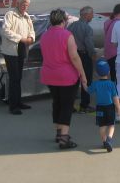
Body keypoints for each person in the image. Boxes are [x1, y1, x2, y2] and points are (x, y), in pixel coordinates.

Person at [40, 9, 88, 149]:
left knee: (57, 103)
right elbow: (74, 57)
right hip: (66, 76)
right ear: (64, 21)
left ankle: (58, 132)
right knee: (67, 105)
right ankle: (64, 138)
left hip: (49, 75)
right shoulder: (67, 35)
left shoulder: (44, 35)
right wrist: (83, 76)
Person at [0, 0, 35, 115]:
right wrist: (21, 39)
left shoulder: (26, 16)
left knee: (19, 77)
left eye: (27, 5)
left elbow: (31, 29)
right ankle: (13, 106)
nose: (25, 7)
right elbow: (5, 30)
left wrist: (31, 38)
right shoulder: (10, 14)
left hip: (21, 49)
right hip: (11, 51)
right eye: (23, 4)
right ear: (18, 4)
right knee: (14, 78)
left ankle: (18, 101)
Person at [88, 59, 120, 152]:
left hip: (100, 108)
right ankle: (109, 139)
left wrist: (83, 83)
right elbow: (115, 98)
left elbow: (88, 90)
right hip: (110, 107)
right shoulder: (111, 84)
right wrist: (119, 109)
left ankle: (104, 142)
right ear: (109, 71)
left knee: (102, 126)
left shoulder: (96, 84)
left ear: (96, 73)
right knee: (111, 125)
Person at [68, 6, 96, 113]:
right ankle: (84, 105)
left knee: (73, 80)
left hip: (73, 54)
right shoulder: (87, 28)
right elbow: (88, 44)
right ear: (86, 15)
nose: (92, 16)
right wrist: (93, 54)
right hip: (84, 56)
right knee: (86, 80)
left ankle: (70, 105)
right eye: (91, 14)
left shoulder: (71, 26)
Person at [103, 3, 120, 82]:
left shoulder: (107, 22)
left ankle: (114, 91)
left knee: (113, 74)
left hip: (108, 52)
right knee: (119, 76)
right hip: (116, 52)